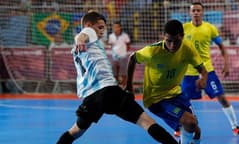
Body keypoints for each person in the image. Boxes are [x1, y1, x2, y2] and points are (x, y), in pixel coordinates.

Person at [56, 11, 178, 144]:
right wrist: (80, 39)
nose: (103, 32)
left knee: (75, 131)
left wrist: (80, 41)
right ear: (89, 25)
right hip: (107, 91)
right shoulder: (88, 33)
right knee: (146, 122)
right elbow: (83, 35)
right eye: (100, 27)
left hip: (91, 98)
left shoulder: (76, 51)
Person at [126, 19, 208, 144]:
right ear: (163, 36)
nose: (172, 46)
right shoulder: (153, 51)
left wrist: (203, 78)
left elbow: (202, 68)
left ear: (182, 36)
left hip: (176, 94)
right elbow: (132, 58)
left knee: (196, 131)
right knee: (189, 122)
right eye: (169, 41)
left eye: (176, 41)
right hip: (156, 100)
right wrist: (129, 87)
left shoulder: (188, 48)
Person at [175, 2, 239, 137]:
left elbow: (222, 47)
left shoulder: (210, 28)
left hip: (207, 71)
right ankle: (178, 127)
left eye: (198, 10)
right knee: (182, 102)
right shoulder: (183, 28)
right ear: (190, 13)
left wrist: (226, 64)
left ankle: (235, 126)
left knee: (222, 98)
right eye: (193, 10)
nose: (196, 12)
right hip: (188, 72)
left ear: (202, 12)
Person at [108, 20, 131, 87]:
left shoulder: (125, 36)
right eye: (114, 27)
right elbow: (111, 45)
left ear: (120, 27)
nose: (116, 28)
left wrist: (123, 52)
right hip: (114, 57)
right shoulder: (111, 36)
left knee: (123, 74)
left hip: (123, 57)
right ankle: (115, 87)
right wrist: (114, 53)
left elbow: (128, 45)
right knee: (114, 73)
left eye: (117, 27)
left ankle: (124, 87)